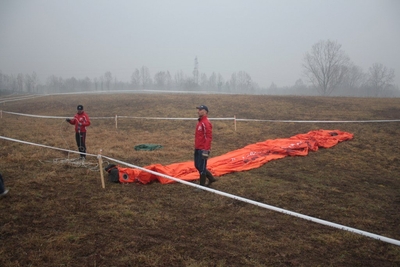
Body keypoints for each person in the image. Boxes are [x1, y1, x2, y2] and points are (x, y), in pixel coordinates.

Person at [194, 104, 217, 187]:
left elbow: (208, 137)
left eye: (200, 110)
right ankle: (211, 178)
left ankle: (202, 186)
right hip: (197, 147)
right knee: (197, 165)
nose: (198, 111)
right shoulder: (200, 122)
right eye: (198, 109)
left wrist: (206, 150)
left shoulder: (206, 123)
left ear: (205, 112)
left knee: (202, 167)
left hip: (203, 149)